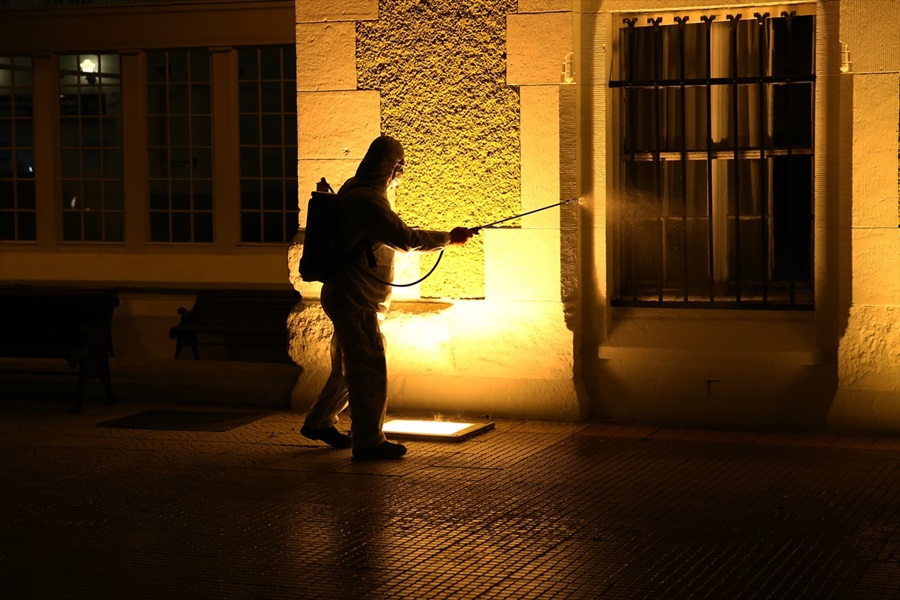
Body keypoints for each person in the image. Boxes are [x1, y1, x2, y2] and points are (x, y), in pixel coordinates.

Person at [300, 135, 473, 460]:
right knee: (368, 367)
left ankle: (319, 422)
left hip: (350, 294)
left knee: (350, 365)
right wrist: (448, 239)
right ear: (389, 166)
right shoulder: (366, 201)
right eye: (399, 166)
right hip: (355, 297)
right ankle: (368, 441)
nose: (401, 174)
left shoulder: (357, 190)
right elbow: (405, 239)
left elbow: (392, 231)